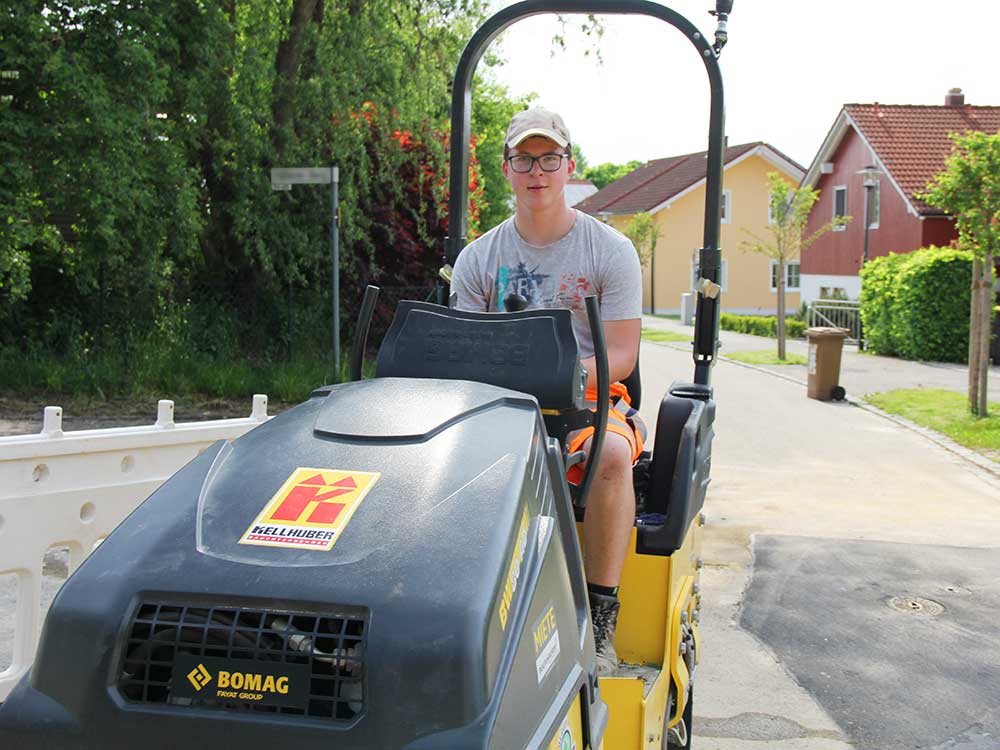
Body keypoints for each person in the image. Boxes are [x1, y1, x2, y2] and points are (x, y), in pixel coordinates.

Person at [450, 107, 645, 675]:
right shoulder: (479, 258)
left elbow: (622, 355)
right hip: (498, 400)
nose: (537, 171)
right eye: (524, 159)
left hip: (585, 400)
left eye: (549, 159)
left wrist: (553, 373)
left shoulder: (608, 251)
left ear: (568, 167)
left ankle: (599, 622)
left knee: (610, 454)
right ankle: (463, 618)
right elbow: (465, 348)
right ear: (507, 168)